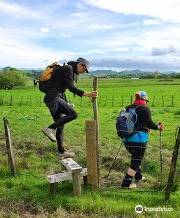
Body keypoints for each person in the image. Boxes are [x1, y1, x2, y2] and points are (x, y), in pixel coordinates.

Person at [42, 57, 97, 159]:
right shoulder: (68, 69)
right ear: (80, 64)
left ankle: (61, 152)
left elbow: (61, 89)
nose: (83, 72)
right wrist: (87, 94)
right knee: (73, 114)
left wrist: (66, 103)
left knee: (61, 125)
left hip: (52, 98)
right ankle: (49, 129)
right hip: (53, 98)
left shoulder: (66, 69)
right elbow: (70, 87)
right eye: (84, 70)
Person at [121, 91, 163, 188]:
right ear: (144, 99)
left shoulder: (128, 108)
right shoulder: (144, 108)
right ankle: (126, 184)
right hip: (138, 140)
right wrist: (158, 127)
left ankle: (138, 177)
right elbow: (150, 123)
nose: (147, 103)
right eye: (146, 101)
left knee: (136, 158)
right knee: (136, 162)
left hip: (126, 139)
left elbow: (135, 123)